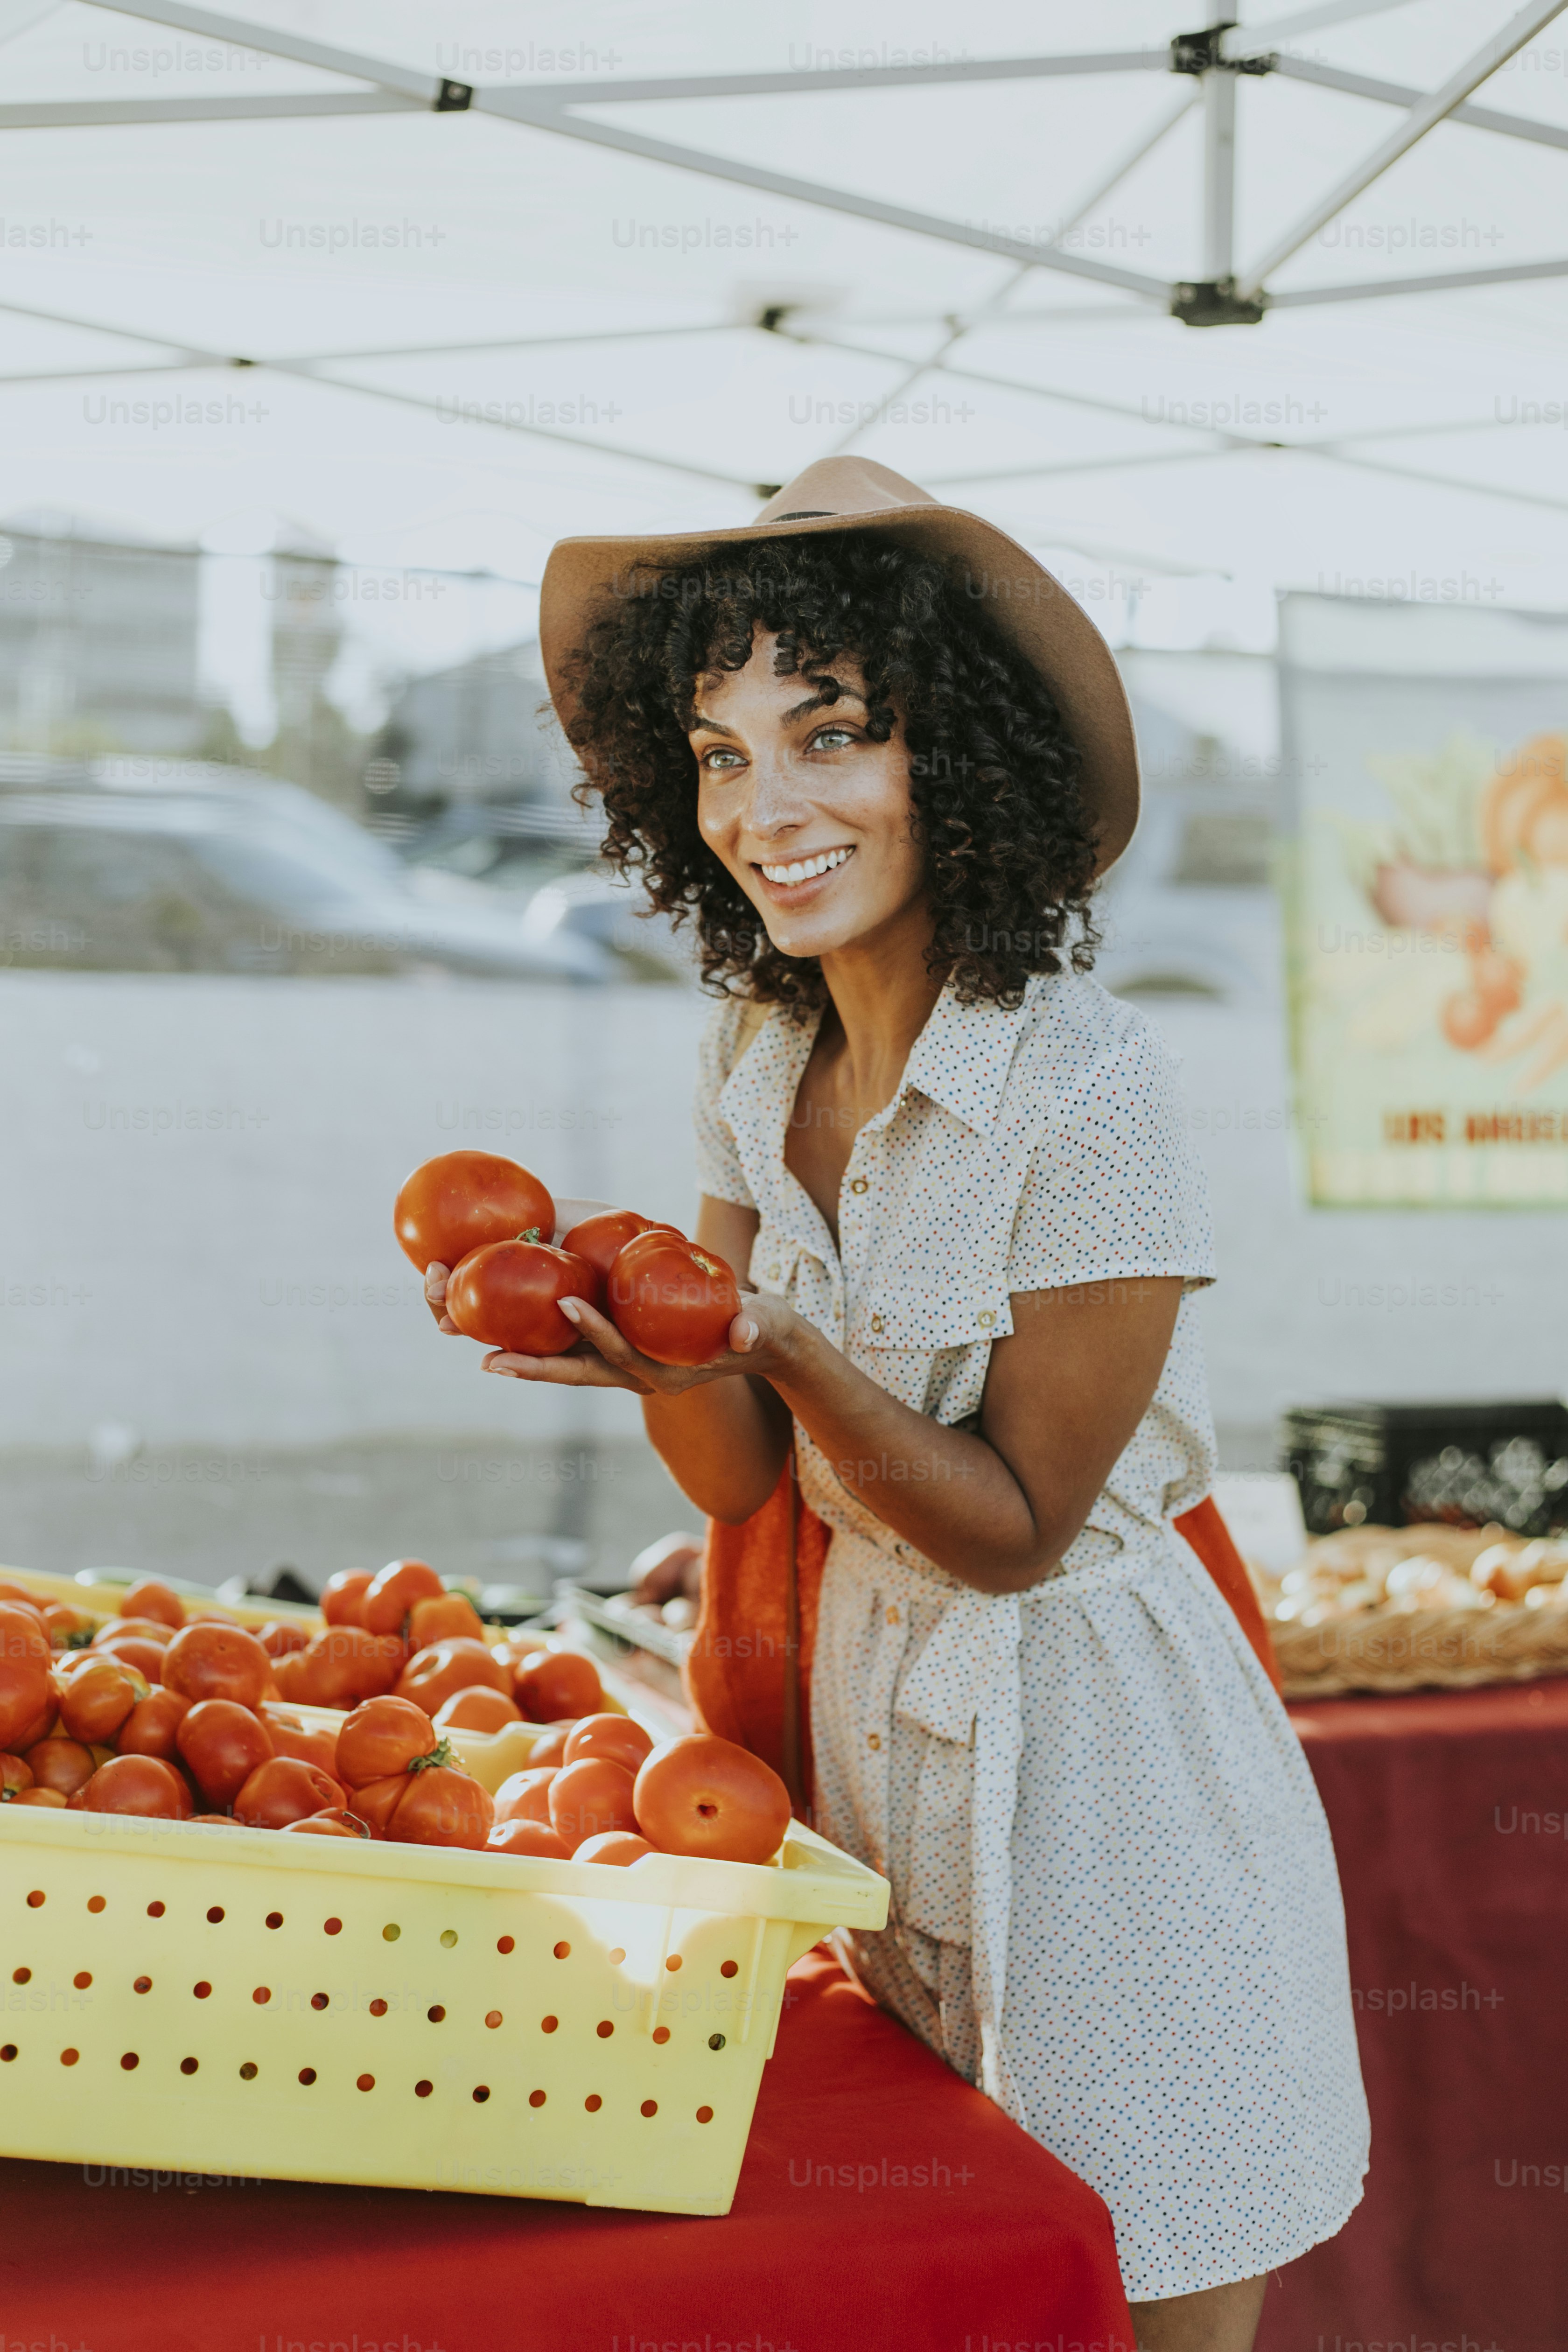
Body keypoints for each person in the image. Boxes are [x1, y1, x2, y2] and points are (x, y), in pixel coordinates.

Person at [426, 459, 1369, 2351]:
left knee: (1143, 2265)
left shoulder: (1084, 1089)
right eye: (714, 754)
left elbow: (1014, 1532)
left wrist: (767, 1337)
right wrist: (665, 1355)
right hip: (872, 1754)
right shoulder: (758, 1049)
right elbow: (741, 1469)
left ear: (968, 754)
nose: (761, 810)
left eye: (827, 736)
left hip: (1104, 1781)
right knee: (946, 2284)